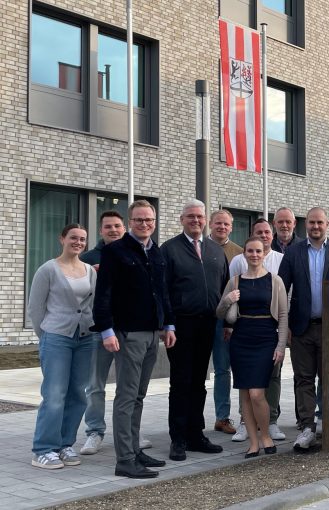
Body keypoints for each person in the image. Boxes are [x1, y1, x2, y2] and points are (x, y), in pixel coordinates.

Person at [93, 200, 174, 478]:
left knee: (139, 395)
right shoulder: (115, 251)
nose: (144, 224)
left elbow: (162, 291)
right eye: (139, 220)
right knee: (126, 397)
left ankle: (135, 449)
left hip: (153, 333)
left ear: (154, 221)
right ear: (130, 222)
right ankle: (125, 459)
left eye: (149, 220)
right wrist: (106, 331)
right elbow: (103, 294)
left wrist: (169, 325)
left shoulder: (156, 251)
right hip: (127, 334)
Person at [278, 207, 329, 451]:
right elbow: (282, 290)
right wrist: (285, 326)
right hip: (301, 328)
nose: (315, 226)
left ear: (327, 224)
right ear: (306, 225)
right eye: (311, 222)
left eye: (320, 223)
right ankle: (306, 428)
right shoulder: (292, 253)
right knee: (303, 379)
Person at [161, 199, 229, 462]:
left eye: (200, 216)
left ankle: (195, 434)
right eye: (190, 216)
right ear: (182, 220)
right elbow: (164, 291)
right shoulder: (169, 249)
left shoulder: (214, 250)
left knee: (199, 382)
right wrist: (167, 324)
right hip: (180, 326)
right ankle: (178, 438)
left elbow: (224, 290)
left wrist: (227, 323)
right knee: (181, 382)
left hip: (207, 325)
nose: (196, 221)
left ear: (205, 220)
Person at [80, 211, 152, 455]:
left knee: (129, 388)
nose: (113, 230)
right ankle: (94, 431)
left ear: (125, 227)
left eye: (117, 226)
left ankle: (132, 432)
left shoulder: (138, 252)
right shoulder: (87, 258)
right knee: (96, 384)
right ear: (101, 230)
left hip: (127, 331)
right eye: (108, 226)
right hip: (99, 331)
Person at [28, 224, 98, 470]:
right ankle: (43, 449)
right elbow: (35, 308)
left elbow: (93, 305)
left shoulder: (90, 271)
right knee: (54, 395)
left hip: (85, 338)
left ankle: (65, 444)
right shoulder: (48, 269)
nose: (78, 242)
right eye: (73, 238)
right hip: (56, 336)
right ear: (62, 239)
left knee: (78, 394)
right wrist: (46, 335)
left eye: (82, 239)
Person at [216, 238, 288, 457]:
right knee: (245, 394)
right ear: (244, 254)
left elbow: (284, 315)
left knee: (258, 393)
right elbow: (220, 313)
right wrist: (228, 300)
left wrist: (281, 345)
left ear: (264, 253)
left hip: (266, 338)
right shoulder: (235, 281)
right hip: (241, 340)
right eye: (250, 251)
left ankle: (265, 435)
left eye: (258, 251)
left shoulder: (275, 281)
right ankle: (254, 442)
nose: (254, 254)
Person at [208, 210, 243, 436]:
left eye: (226, 224)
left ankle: (222, 417)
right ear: (210, 224)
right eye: (218, 223)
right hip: (198, 317)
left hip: (226, 320)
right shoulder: (199, 247)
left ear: (231, 227)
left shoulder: (239, 253)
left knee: (223, 369)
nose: (222, 227)